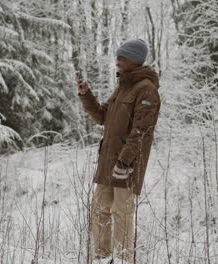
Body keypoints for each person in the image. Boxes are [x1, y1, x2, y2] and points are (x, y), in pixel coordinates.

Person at [77, 39, 160, 263]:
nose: (117, 60)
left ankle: (123, 259)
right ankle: (102, 257)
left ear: (135, 60)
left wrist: (124, 162)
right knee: (100, 210)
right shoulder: (123, 86)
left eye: (122, 57)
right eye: (118, 57)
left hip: (126, 164)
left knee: (121, 213)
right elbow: (103, 116)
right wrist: (87, 95)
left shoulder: (146, 90)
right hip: (108, 160)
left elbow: (142, 130)